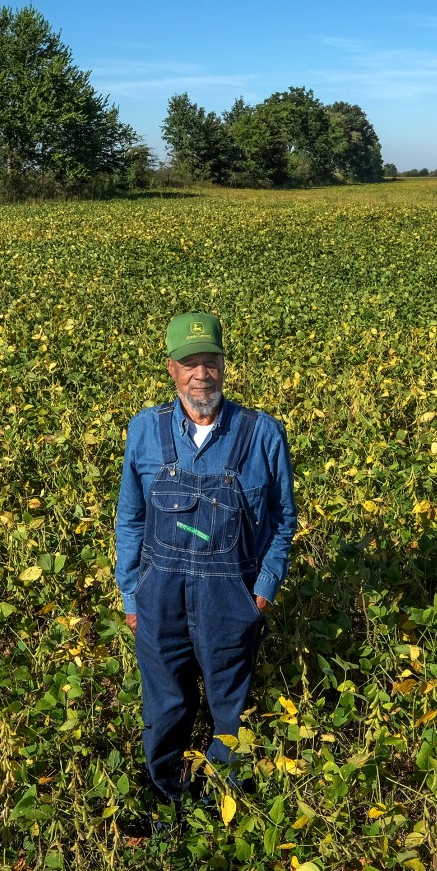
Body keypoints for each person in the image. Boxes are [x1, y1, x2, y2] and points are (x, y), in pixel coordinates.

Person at [115, 312, 297, 804]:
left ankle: (222, 809)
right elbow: (130, 518)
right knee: (166, 706)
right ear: (171, 369)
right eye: (190, 363)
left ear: (224, 365)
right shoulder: (145, 431)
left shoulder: (262, 434)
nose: (202, 374)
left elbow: (282, 520)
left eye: (211, 361)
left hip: (230, 600)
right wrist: (131, 594)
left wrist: (262, 591)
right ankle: (166, 802)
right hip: (158, 602)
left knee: (231, 712)